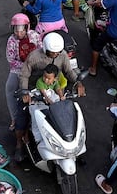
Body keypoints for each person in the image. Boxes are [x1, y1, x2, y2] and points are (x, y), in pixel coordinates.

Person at [17, 32, 86, 161]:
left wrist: (78, 83)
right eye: (52, 52)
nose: (56, 55)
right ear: (45, 48)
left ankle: (74, 149)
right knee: (22, 120)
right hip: (33, 90)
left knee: (67, 114)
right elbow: (24, 75)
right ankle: (19, 145)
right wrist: (25, 92)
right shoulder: (34, 57)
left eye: (58, 52)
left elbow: (69, 71)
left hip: (53, 89)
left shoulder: (62, 55)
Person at [5, 14, 41, 131]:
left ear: (27, 28)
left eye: (21, 30)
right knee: (10, 89)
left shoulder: (35, 36)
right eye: (16, 30)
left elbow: (41, 51)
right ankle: (14, 118)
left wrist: (33, 65)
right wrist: (26, 66)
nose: (19, 34)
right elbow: (11, 60)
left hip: (35, 69)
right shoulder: (11, 40)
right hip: (18, 70)